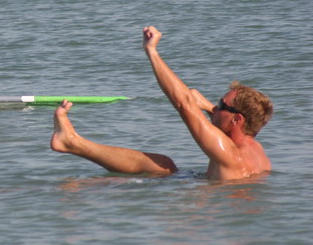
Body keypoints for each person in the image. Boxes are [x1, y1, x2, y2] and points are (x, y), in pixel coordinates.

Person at [50, 26, 273, 181]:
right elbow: (220, 120)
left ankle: (72, 143)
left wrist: (152, 51)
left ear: (237, 119)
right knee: (164, 165)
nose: (215, 108)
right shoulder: (256, 151)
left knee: (155, 172)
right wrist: (208, 107)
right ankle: (72, 144)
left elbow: (183, 104)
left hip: (203, 192)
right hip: (212, 183)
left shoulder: (228, 154)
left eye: (221, 105)